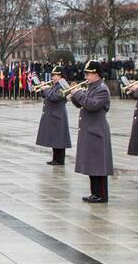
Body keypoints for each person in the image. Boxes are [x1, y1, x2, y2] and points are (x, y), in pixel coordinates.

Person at [70, 60, 112, 203]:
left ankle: (101, 194)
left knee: (99, 165)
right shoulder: (92, 87)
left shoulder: (101, 89)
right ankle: (95, 193)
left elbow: (92, 105)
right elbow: (82, 104)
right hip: (90, 129)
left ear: (96, 74)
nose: (86, 77)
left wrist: (79, 94)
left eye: (88, 74)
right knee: (92, 164)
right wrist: (74, 95)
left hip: (97, 130)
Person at [36, 66, 72, 166]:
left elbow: (55, 97)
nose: (53, 77)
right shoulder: (55, 85)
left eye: (55, 75)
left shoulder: (63, 85)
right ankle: (55, 158)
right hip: (54, 115)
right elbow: (47, 96)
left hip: (58, 115)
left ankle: (60, 160)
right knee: (54, 139)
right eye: (53, 75)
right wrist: (43, 88)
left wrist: (46, 90)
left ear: (60, 76)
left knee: (59, 139)